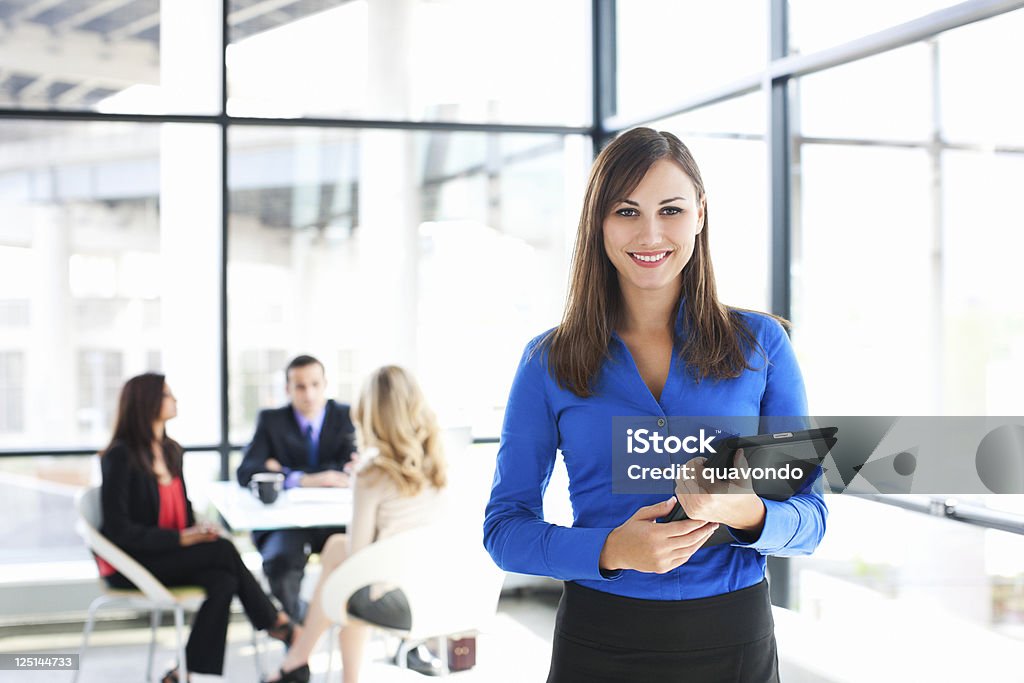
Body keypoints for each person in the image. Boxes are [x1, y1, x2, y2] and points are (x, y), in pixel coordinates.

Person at [483, 128, 828, 682]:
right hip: (599, 642)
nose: (650, 233)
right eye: (626, 210)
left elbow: (812, 519)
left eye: (670, 209)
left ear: (700, 215)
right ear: (599, 222)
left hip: (732, 639)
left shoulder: (762, 346)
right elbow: (504, 529)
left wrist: (746, 511)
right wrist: (611, 549)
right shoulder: (547, 361)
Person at [98, 373, 300, 683]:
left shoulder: (171, 451)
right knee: (222, 550)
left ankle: (182, 674)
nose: (175, 399)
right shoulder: (119, 457)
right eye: (167, 394)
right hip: (135, 561)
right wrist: (182, 538)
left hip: (172, 553)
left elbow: (182, 507)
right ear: (147, 403)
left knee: (223, 579)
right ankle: (275, 621)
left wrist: (195, 529)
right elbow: (118, 531)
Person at [264, 365, 448, 683]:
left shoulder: (371, 475)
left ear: (369, 413)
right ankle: (303, 661)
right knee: (338, 555)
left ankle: (298, 658)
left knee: (341, 561)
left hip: (395, 603)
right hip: (435, 594)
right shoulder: (438, 463)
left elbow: (358, 557)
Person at [237, 355, 357, 623]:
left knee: (363, 553)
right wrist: (306, 479)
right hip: (286, 523)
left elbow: (349, 467)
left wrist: (283, 470)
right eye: (300, 386)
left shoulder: (344, 415)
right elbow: (246, 472)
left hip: (333, 522)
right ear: (288, 389)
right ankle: (299, 626)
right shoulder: (271, 420)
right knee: (279, 560)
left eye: (315, 384)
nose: (309, 394)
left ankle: (343, 620)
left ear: (325, 384)